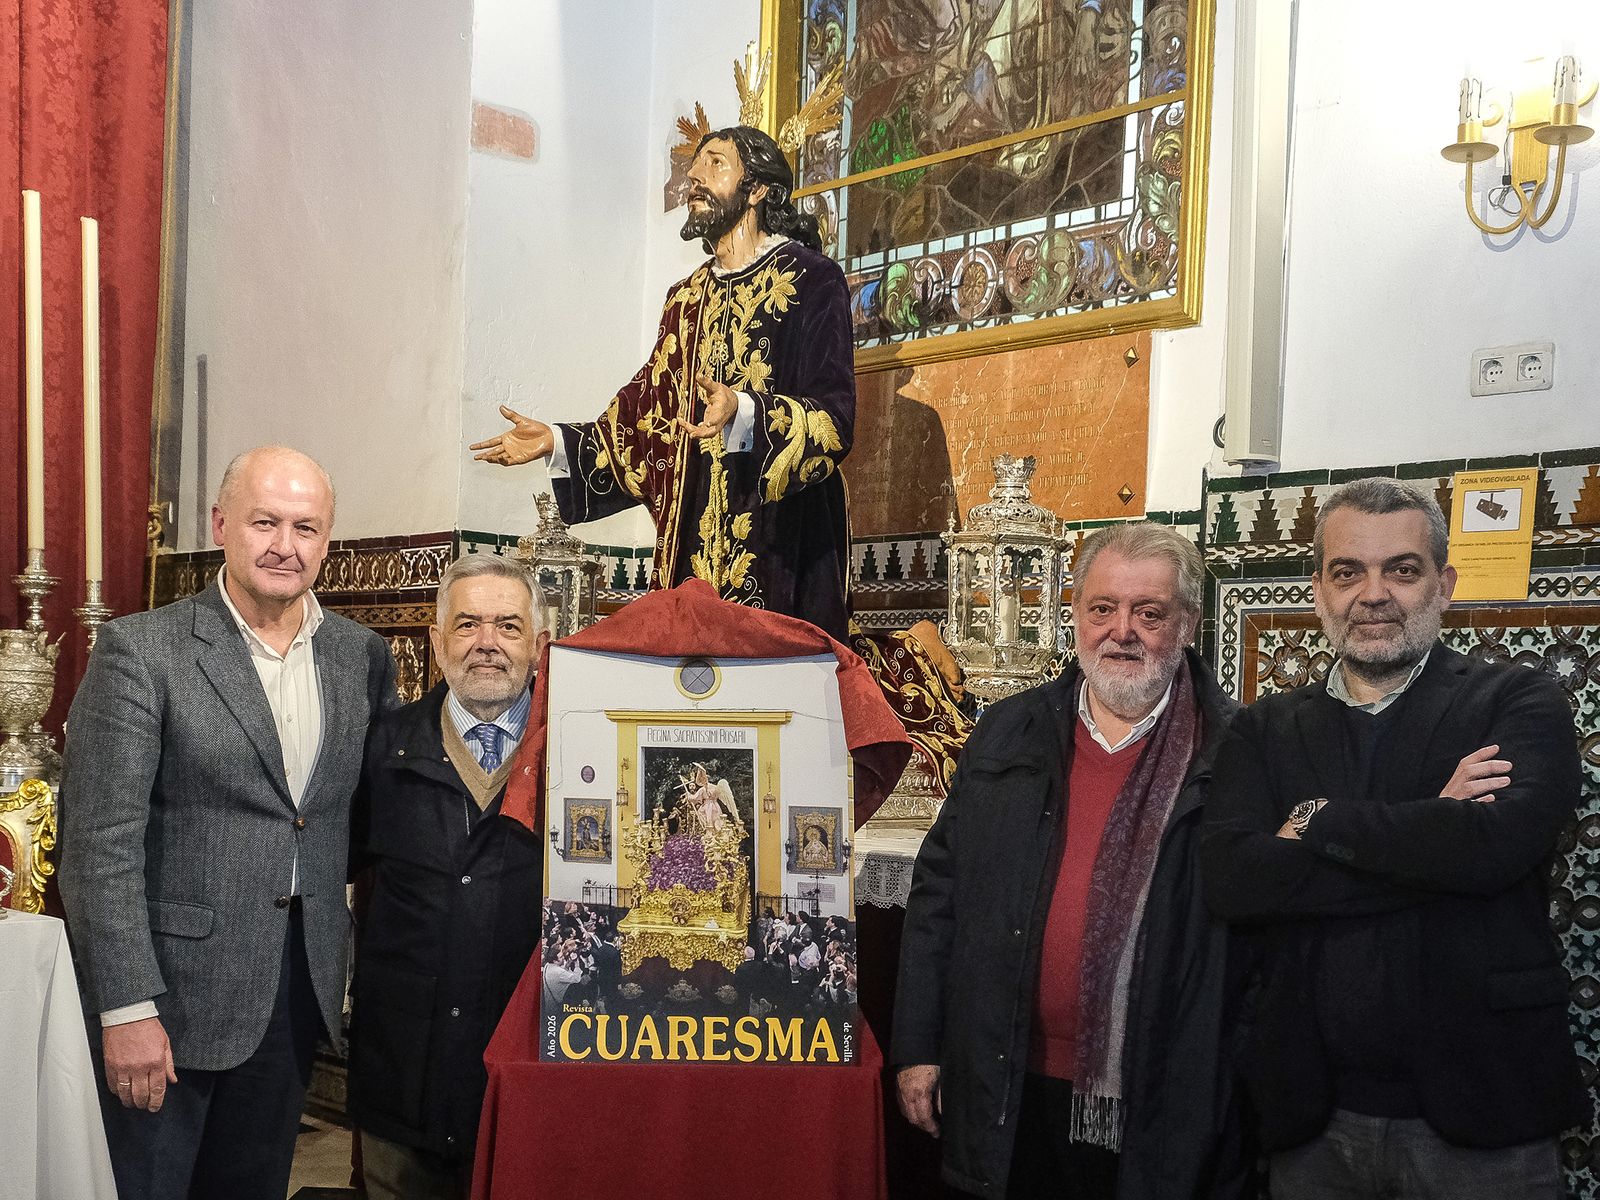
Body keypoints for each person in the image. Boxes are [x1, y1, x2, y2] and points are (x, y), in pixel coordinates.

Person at [1202, 478, 1584, 1200]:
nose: (1372, 593)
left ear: (1443, 585)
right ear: (1318, 590)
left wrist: (1315, 820)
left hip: (1486, 1112)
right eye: (1348, 571)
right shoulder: (1263, 729)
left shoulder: (1516, 702)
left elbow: (1493, 851)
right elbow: (1235, 878)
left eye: (1401, 570)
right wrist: (1434, 826)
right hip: (1311, 1116)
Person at [58, 446, 398, 1200]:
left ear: (328, 540)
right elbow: (97, 847)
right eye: (264, 521)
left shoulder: (359, 657)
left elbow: (366, 815)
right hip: (167, 1004)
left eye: (306, 527)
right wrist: (126, 1007)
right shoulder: (142, 651)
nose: (285, 545)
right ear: (220, 525)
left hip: (292, 996)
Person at [893, 522, 1249, 1200]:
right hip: (1006, 1078)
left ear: (1188, 625)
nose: (1123, 631)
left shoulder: (1235, 752)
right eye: (1102, 609)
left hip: (1160, 1092)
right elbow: (941, 892)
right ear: (1074, 613)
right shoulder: (1009, 730)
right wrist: (919, 1045)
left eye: (1150, 613)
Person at [470, 124, 856, 639]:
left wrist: (743, 411)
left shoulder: (812, 279)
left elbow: (834, 416)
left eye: (715, 163)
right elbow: (643, 419)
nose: (694, 176)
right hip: (691, 566)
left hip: (784, 552)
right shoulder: (685, 298)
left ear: (758, 189)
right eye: (695, 165)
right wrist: (559, 442)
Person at [347, 553, 552, 1200]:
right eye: (466, 624)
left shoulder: (581, 759)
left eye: (507, 627)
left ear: (539, 645)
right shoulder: (380, 750)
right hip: (401, 1080)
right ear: (436, 643)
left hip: (527, 1080)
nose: (486, 644)